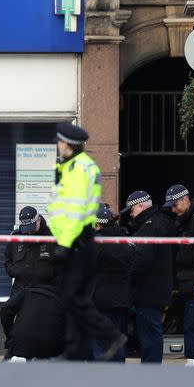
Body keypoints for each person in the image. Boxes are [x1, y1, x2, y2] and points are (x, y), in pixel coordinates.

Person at [47, 122, 127, 361]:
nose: (58, 146)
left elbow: (78, 210)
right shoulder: (68, 166)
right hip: (70, 238)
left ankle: (110, 334)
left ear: (68, 144)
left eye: (60, 142)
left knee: (74, 297)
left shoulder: (82, 168)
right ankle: (75, 351)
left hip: (77, 240)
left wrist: (65, 242)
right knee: (71, 296)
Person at [121, 190, 174, 364]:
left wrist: (128, 278)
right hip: (155, 289)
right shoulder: (160, 222)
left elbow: (142, 259)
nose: (131, 213)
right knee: (151, 332)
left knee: (149, 334)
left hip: (148, 291)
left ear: (141, 206)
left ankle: (150, 371)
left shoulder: (150, 226)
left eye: (132, 209)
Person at [163, 184, 194, 366]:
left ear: (185, 200)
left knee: (192, 321)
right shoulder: (183, 220)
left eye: (175, 205)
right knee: (182, 319)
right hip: (183, 282)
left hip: (193, 282)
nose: (173, 209)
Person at [92, 204, 133, 362]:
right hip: (122, 300)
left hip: (100, 300)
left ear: (98, 224)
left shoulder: (97, 243)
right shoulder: (124, 241)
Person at [0, 283, 66, 361]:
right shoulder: (64, 297)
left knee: (6, 368)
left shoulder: (26, 292)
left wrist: (10, 332)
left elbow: (5, 309)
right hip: (49, 345)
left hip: (21, 342)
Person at [4, 206, 57, 296]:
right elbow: (7, 258)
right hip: (20, 290)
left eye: (31, 228)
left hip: (45, 292)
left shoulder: (51, 237)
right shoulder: (16, 236)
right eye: (26, 229)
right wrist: (12, 270)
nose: (29, 232)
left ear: (38, 220)